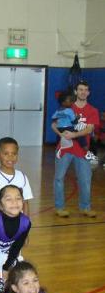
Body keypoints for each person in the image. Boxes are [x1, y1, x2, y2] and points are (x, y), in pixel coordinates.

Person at [52, 81, 99, 218]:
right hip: (64, 150)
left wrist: (74, 135)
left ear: (88, 93)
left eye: (85, 90)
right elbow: (54, 125)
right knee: (59, 179)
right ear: (75, 92)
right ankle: (59, 208)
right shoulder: (66, 107)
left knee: (85, 180)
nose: (83, 92)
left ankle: (85, 208)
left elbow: (89, 129)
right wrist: (61, 134)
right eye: (80, 89)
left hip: (83, 151)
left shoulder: (92, 110)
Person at [0, 137, 33, 228]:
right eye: (6, 154)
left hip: (17, 226)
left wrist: (25, 228)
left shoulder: (22, 177)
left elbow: (25, 204)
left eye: (14, 153)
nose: (10, 157)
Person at [52, 91, 87, 157]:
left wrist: (60, 120)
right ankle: (85, 148)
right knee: (80, 134)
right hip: (68, 128)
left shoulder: (58, 110)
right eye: (70, 101)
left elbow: (54, 119)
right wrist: (77, 117)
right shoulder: (69, 110)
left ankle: (58, 148)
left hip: (60, 128)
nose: (71, 102)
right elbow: (74, 122)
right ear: (63, 103)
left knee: (60, 137)